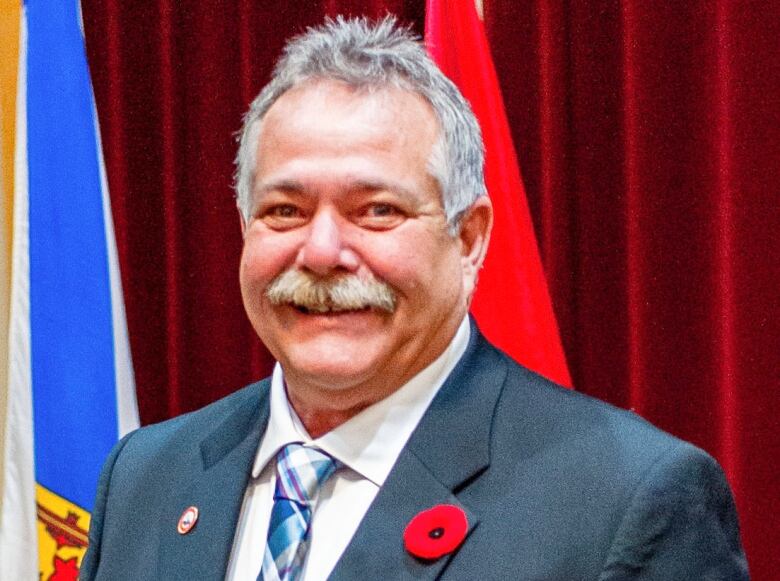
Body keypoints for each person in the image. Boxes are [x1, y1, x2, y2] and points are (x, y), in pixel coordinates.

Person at [81, 16, 748, 581]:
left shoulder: (625, 499)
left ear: (469, 238)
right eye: (283, 210)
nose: (319, 252)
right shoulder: (144, 477)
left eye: (376, 210)